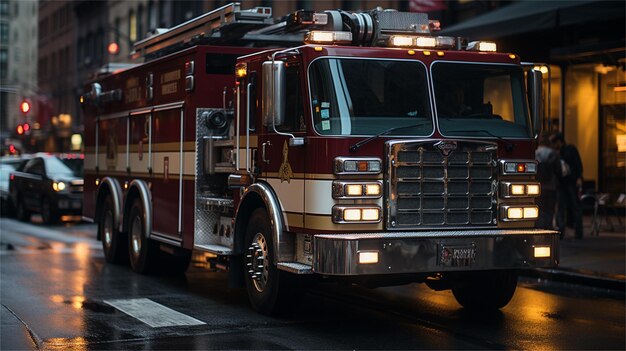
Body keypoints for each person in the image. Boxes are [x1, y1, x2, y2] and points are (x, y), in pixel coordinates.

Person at [550, 132, 584, 239]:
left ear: (559, 142)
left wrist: (579, 177)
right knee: (566, 207)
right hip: (564, 182)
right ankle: (567, 231)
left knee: (570, 206)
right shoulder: (560, 152)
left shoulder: (568, 150)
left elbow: (578, 164)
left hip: (569, 182)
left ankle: (572, 231)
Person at [535, 134, 561, 231]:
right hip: (551, 186)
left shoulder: (535, 153)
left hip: (539, 186)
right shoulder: (552, 153)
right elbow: (558, 170)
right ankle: (548, 228)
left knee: (540, 209)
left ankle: (540, 228)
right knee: (550, 210)